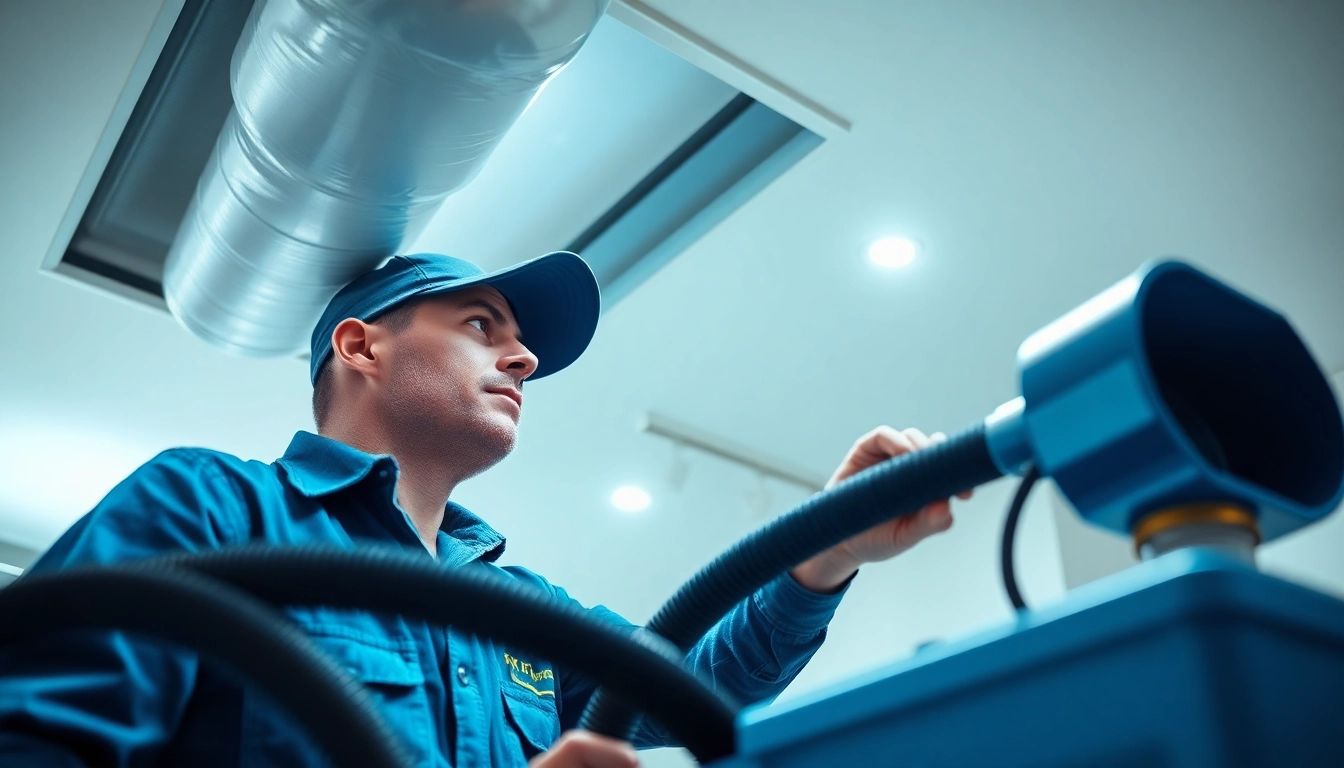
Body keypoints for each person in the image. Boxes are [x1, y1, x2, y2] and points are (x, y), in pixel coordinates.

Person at [0, 252, 967, 767]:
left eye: (517, 342)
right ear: (361, 347)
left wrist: (825, 549)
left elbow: (692, 689)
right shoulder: (209, 507)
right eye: (480, 326)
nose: (524, 358)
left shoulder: (522, 612)